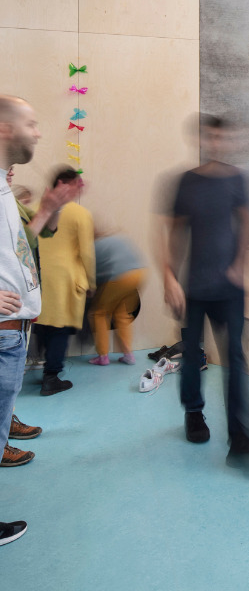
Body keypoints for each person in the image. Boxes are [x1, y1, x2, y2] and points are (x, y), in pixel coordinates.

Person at [0, 95, 75, 544]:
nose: (39, 132)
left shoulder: (5, 189)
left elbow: (18, 250)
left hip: (13, 333)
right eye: (31, 123)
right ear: (5, 129)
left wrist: (47, 208)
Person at [164, 115, 249, 456]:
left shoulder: (238, 180)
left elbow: (247, 224)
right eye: (211, 137)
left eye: (223, 137)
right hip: (194, 286)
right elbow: (174, 231)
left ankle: (240, 438)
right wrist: (169, 277)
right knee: (192, 353)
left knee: (235, 357)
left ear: (230, 141)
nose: (217, 143)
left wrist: (239, 265)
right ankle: (193, 413)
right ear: (202, 140)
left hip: (230, 287)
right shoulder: (186, 182)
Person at [36, 169, 94, 396]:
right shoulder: (80, 213)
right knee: (60, 328)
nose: (80, 188)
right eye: (77, 184)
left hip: (39, 276)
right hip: (66, 278)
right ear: (64, 184)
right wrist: (91, 282)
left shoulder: (39, 209)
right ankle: (51, 377)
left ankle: (44, 367)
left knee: (43, 323)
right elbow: (87, 253)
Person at [89, 226, 147, 366]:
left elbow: (93, 273)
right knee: (122, 315)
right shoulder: (117, 238)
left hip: (119, 277)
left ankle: (103, 356)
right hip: (139, 274)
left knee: (99, 313)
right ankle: (128, 355)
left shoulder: (94, 246)